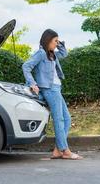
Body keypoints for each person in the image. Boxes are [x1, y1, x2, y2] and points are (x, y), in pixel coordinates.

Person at [22, 29, 83, 160]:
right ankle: (65, 151)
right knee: (59, 119)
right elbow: (26, 66)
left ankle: (57, 150)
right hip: (49, 89)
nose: (56, 43)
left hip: (56, 88)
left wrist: (60, 43)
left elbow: (64, 54)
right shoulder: (41, 53)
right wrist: (32, 83)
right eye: (55, 41)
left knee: (67, 119)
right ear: (48, 40)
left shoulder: (52, 54)